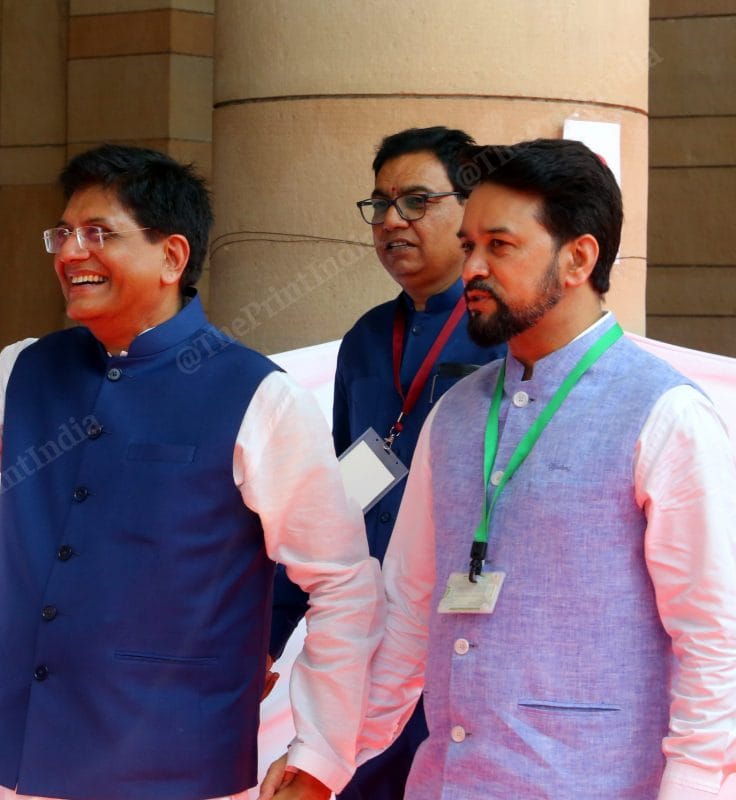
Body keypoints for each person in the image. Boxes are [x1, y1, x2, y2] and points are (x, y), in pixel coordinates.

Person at [0, 145, 384, 800]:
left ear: (172, 257)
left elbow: (342, 582)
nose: (71, 252)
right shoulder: (27, 369)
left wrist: (320, 753)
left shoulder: (259, 397)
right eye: (64, 233)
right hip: (8, 756)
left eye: (99, 233)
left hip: (172, 769)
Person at [357, 138, 736, 798]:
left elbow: (715, 641)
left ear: (577, 259)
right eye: (468, 243)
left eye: (498, 246)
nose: (470, 265)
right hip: (446, 781)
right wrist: (326, 755)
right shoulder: (456, 414)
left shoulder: (666, 415)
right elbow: (405, 612)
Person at [266, 127, 505, 799]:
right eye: (380, 204)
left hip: (470, 636)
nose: (393, 221)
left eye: (417, 201)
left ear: (471, 209)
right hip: (372, 634)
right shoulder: (369, 338)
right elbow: (335, 500)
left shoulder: (503, 332)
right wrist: (271, 631)